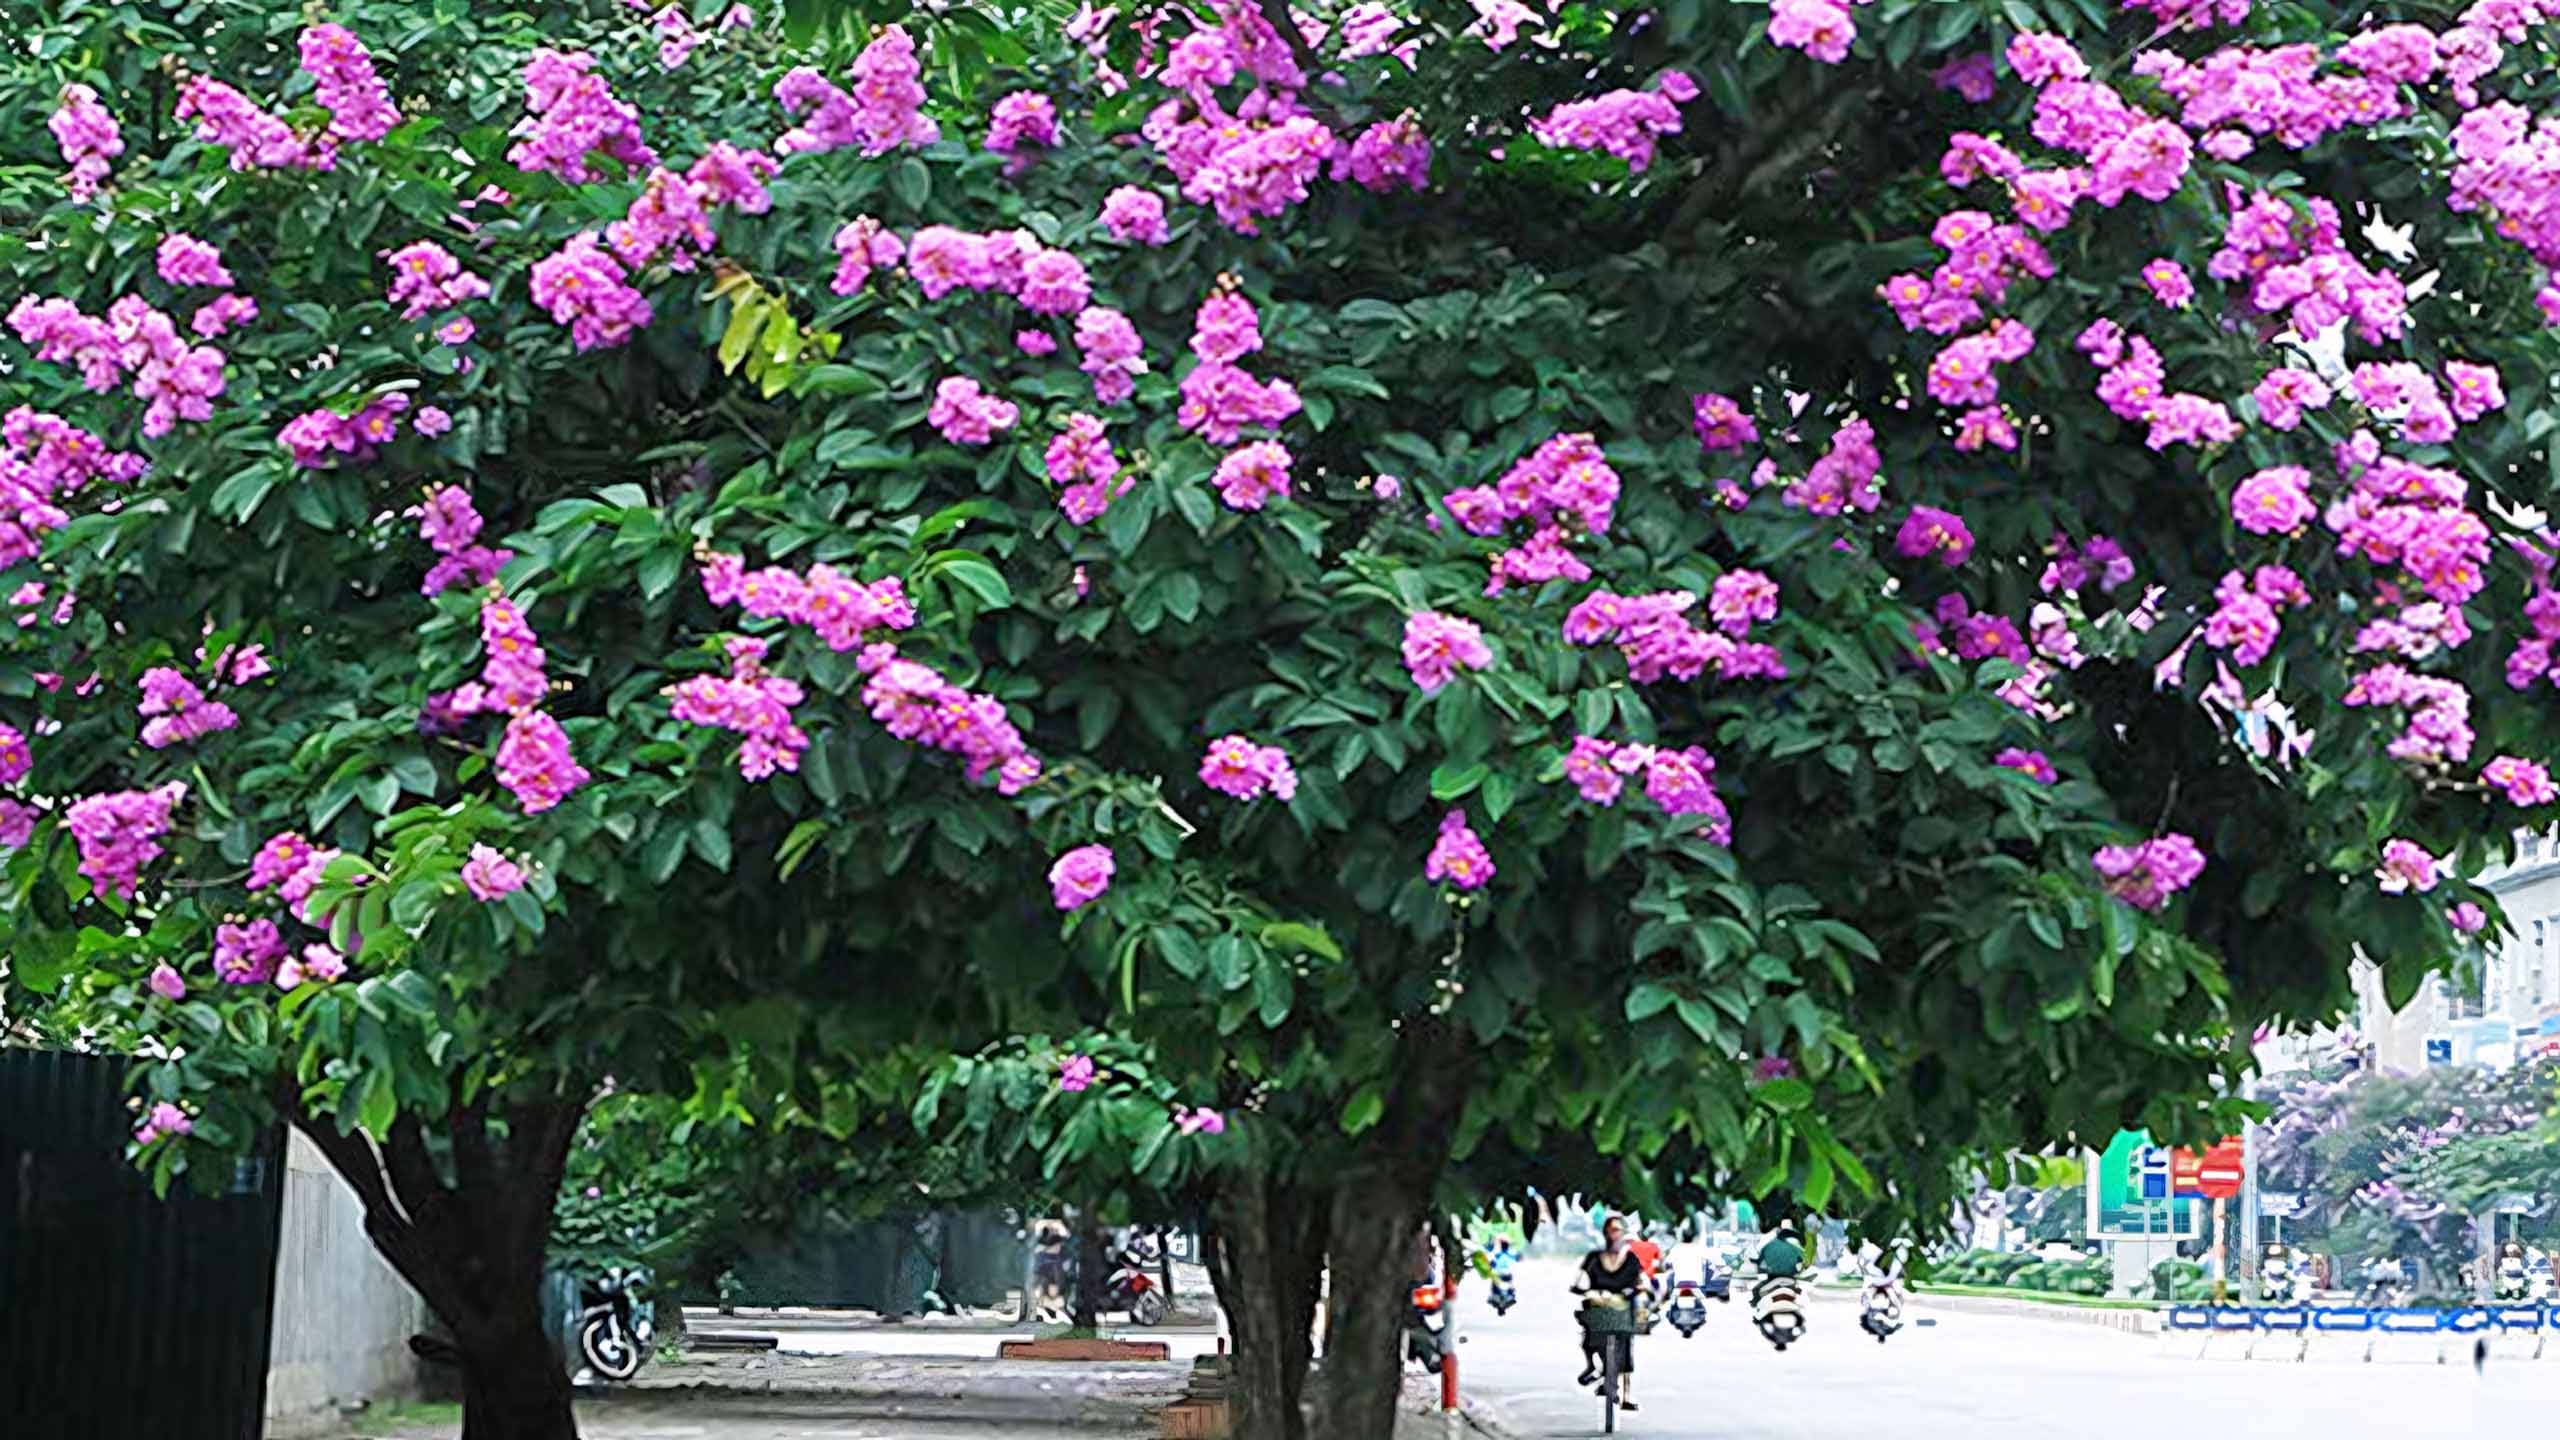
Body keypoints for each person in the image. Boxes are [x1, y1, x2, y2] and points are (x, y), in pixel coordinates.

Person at [1571, 1215, 1644, 1411]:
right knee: (1588, 1338)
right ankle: (1592, 1367)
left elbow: (1640, 1282)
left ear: (1623, 1233)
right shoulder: (1594, 1258)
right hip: (1598, 1310)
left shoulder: (1631, 1259)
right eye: (1611, 1230)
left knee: (1626, 1349)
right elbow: (1579, 1279)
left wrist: (1633, 1290)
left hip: (1622, 1312)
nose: (1614, 1234)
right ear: (1605, 1233)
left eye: (1617, 1230)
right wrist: (1583, 1289)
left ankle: (1626, 1396)